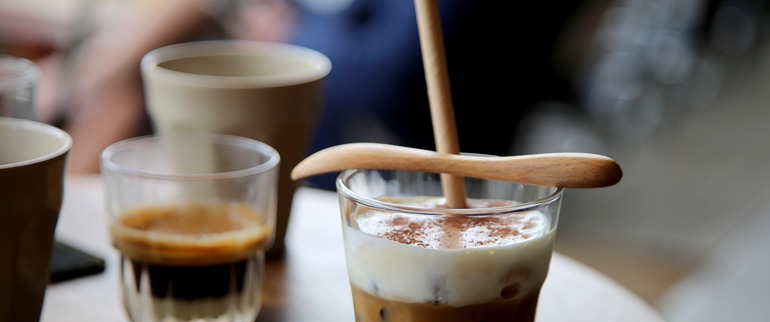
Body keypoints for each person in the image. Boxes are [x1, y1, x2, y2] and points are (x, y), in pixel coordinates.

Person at [38, 0, 588, 189]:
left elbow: (396, 72)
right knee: (144, 59)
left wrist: (284, 32)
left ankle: (64, 214)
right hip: (332, 119)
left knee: (139, 77)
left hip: (396, 151)